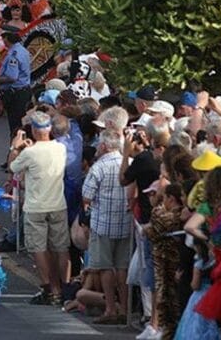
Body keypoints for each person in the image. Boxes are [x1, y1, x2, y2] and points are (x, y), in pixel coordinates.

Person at [8, 110, 69, 305]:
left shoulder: (30, 152)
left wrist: (15, 148)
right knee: (60, 247)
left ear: (34, 130)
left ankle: (48, 289)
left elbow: (13, 167)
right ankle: (64, 288)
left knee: (38, 248)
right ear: (49, 129)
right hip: (58, 204)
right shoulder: (60, 148)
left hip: (36, 207)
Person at [82, 128, 132, 326]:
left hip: (103, 223)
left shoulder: (98, 167)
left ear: (103, 146)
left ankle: (111, 307)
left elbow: (86, 196)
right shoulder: (129, 163)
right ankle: (126, 309)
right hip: (125, 222)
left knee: (105, 267)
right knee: (122, 267)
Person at [0, 25, 31, 166]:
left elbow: (12, 76)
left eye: (3, 37)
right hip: (23, 91)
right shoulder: (22, 51)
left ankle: (14, 158)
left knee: (15, 129)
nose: (2, 40)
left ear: (7, 38)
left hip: (16, 94)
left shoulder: (13, 55)